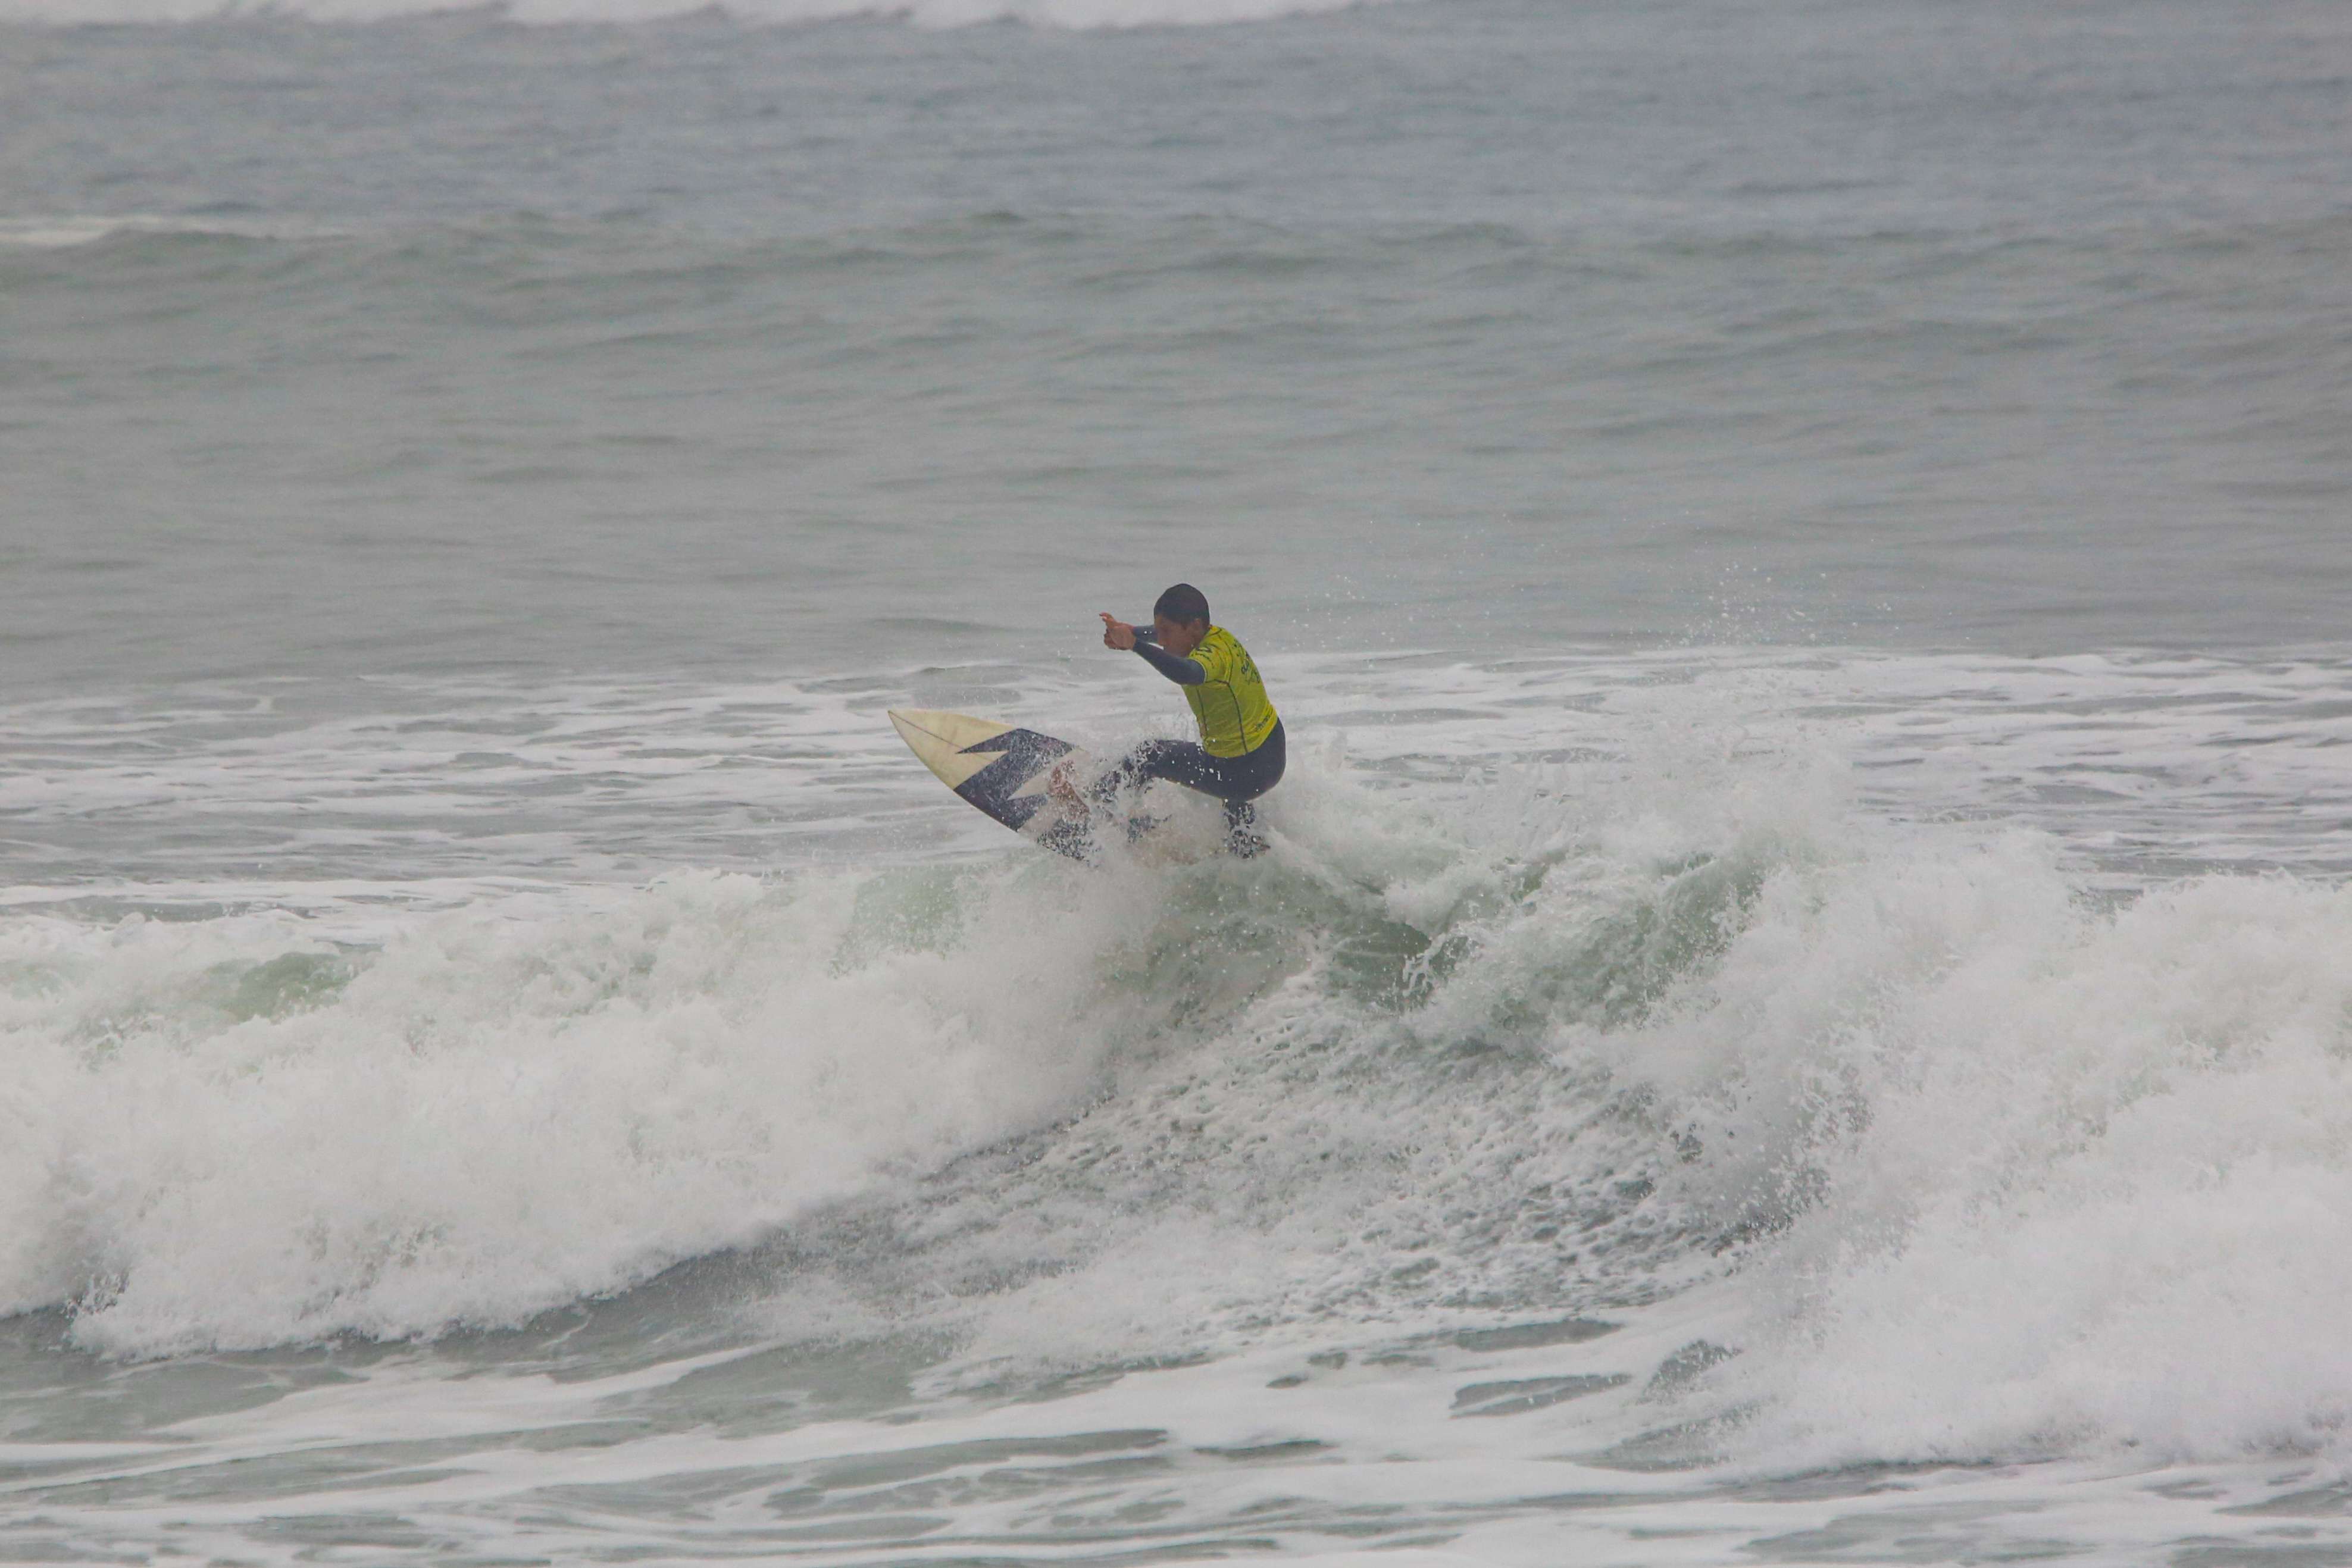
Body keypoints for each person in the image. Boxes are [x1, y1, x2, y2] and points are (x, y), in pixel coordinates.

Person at [1091, 583, 1285, 853]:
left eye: (1167, 633)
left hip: (1245, 772)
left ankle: (1097, 809)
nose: (1162, 641)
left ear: (1194, 627)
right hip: (1268, 753)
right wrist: (1132, 632)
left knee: (1149, 754)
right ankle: (1247, 847)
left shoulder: (1212, 656)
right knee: (1230, 790)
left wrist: (1135, 645)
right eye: (1159, 633)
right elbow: (1164, 637)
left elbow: (1188, 673)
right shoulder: (1219, 637)